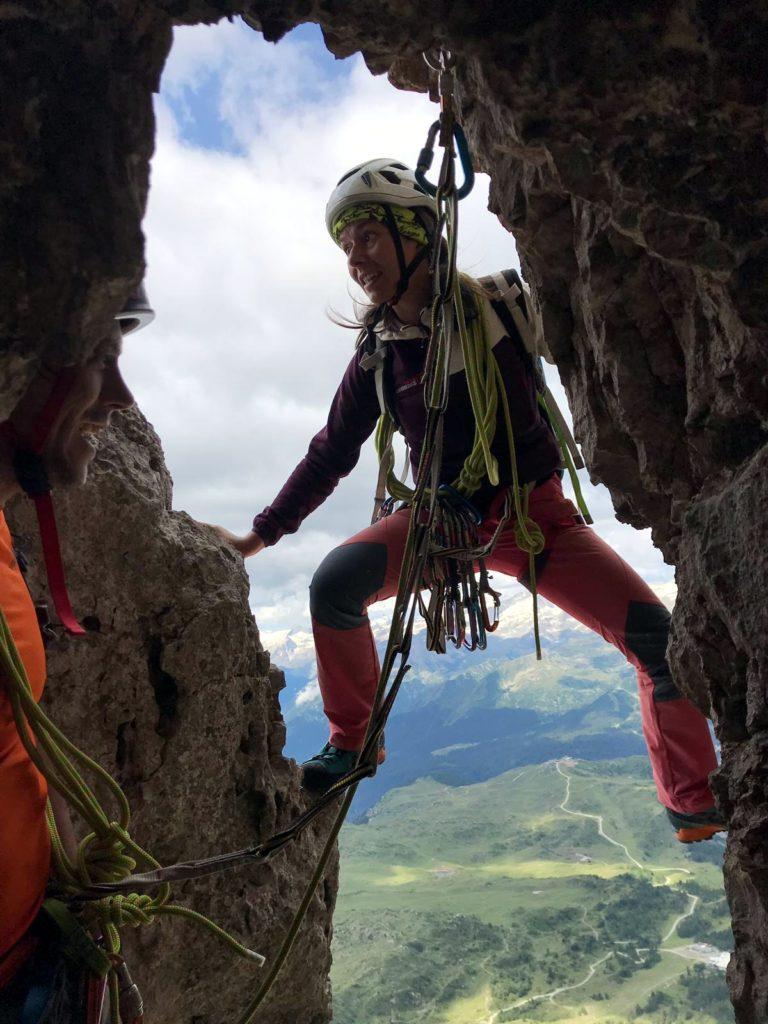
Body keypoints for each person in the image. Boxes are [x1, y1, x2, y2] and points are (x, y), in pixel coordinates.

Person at [211, 158, 725, 845]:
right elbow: (333, 448)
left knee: (659, 643)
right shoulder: (380, 353)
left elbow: (580, 322)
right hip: (441, 523)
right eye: (345, 246)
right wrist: (261, 535)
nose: (354, 258)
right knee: (333, 584)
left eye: (367, 236)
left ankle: (693, 803)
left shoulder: (500, 307)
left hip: (531, 515)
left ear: (417, 231)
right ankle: (354, 743)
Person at [0, 289, 150, 1021]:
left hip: (34, 956)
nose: (120, 398)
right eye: (101, 359)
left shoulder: (1, 535)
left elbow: (18, 743)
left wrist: (63, 879)